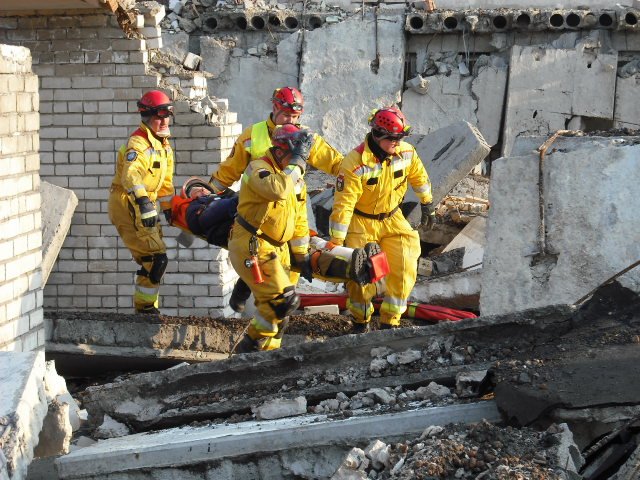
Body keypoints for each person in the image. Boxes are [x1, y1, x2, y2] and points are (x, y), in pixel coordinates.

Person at [208, 86, 344, 313]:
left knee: (289, 267)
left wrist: (356, 173)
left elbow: (336, 162)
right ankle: (257, 306)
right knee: (262, 258)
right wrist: (208, 195)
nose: (289, 120)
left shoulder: (305, 139)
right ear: (274, 108)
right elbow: (229, 170)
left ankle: (271, 314)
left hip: (293, 210)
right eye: (286, 115)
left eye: (294, 116)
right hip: (260, 211)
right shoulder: (254, 135)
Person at [328, 106, 435, 332]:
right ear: (377, 136)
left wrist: (427, 202)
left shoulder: (406, 153)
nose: (398, 143)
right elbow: (344, 205)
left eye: (400, 138)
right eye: (393, 139)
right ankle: (360, 321)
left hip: (393, 218)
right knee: (360, 275)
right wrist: (337, 242)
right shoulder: (354, 164)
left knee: (405, 267)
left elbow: (419, 176)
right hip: (361, 222)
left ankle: (390, 322)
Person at [227, 123, 312, 352]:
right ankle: (248, 348)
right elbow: (276, 190)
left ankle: (267, 353)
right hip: (252, 244)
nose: (300, 162)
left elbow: (299, 219)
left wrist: (301, 255)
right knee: (281, 301)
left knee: (282, 309)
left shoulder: (294, 178)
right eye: (297, 156)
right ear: (281, 150)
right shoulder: (258, 168)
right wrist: (297, 163)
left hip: (278, 248)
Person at [108, 90, 175, 314]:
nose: (165, 120)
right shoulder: (139, 144)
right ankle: (145, 310)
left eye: (167, 115)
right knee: (156, 259)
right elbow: (131, 176)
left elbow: (165, 183)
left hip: (145, 205)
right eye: (160, 115)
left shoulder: (163, 145)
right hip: (128, 203)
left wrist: (169, 209)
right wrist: (145, 202)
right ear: (147, 116)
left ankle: (147, 308)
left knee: (155, 260)